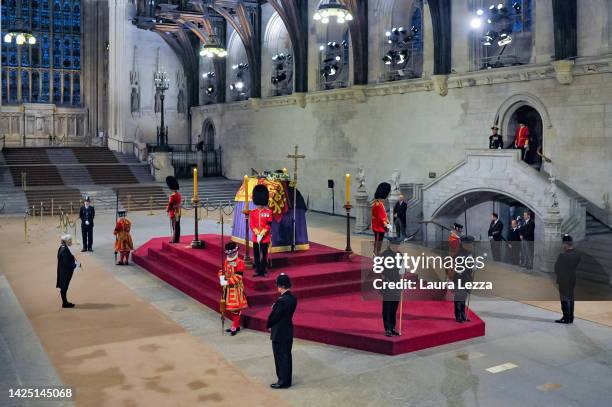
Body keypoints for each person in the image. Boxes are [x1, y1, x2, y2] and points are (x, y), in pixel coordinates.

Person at [266, 273, 297, 389]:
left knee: (280, 357)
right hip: (288, 330)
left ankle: (282, 381)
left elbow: (275, 317)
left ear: (281, 286)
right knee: (287, 356)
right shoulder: (293, 299)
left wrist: (269, 323)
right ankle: (286, 379)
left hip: (279, 333)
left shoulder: (281, 301)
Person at [219, 242, 249, 335]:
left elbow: (239, 276)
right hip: (227, 289)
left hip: (235, 289)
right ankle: (236, 325)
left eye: (231, 253)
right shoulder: (226, 261)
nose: (230, 255)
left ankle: (235, 325)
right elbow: (222, 270)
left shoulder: (240, 262)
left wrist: (228, 281)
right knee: (229, 308)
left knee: (236, 309)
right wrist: (221, 277)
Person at [554, 234, 582, 324]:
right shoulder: (577, 254)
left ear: (566, 244)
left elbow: (556, 269)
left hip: (563, 280)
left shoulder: (563, 255)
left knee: (564, 299)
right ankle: (570, 318)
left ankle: (566, 318)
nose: (562, 246)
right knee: (571, 298)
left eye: (563, 244)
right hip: (572, 278)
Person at [380, 239, 403, 337]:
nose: (396, 247)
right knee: (387, 307)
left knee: (394, 307)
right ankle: (387, 329)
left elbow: (402, 269)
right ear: (390, 245)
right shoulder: (384, 255)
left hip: (397, 283)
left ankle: (393, 327)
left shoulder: (400, 255)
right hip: (388, 283)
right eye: (394, 245)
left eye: (397, 246)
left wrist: (403, 273)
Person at [250, 184, 272, 277]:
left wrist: (263, 232)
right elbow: (251, 224)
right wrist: (256, 232)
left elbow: (269, 224)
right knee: (256, 255)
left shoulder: (268, 212)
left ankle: (263, 270)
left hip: (265, 238)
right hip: (256, 237)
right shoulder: (253, 212)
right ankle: (258, 270)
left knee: (264, 255)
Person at [453, 236, 476, 323]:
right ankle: (458, 316)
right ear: (464, 244)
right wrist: (471, 267)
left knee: (463, 298)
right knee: (458, 298)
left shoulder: (470, 253)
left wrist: (474, 266)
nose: (471, 245)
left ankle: (463, 315)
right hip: (460, 279)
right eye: (469, 244)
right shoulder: (459, 254)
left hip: (467, 279)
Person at [56, 234, 80, 308]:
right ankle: (65, 303)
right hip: (65, 272)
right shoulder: (65, 250)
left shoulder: (62, 247)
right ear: (66, 241)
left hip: (63, 270)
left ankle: (65, 302)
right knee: (64, 287)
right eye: (70, 240)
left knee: (64, 287)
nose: (71, 241)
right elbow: (67, 263)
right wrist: (76, 265)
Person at [372, 182, 391, 256]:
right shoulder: (379, 204)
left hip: (379, 227)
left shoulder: (378, 203)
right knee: (378, 245)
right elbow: (382, 218)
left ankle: (376, 257)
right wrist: (388, 226)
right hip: (378, 228)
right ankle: (376, 258)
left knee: (378, 244)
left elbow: (382, 217)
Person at [166, 176, 181, 243]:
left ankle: (174, 240)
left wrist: (167, 209)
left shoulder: (172, 196)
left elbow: (170, 204)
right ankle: (177, 239)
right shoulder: (178, 194)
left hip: (173, 212)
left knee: (174, 226)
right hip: (178, 212)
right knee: (177, 226)